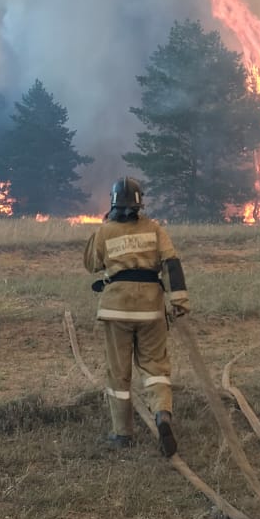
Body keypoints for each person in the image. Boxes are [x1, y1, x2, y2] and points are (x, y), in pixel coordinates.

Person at [83, 176, 189, 456]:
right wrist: (179, 299)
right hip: (150, 308)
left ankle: (122, 434)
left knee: (119, 373)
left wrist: (102, 228)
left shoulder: (106, 231)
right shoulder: (154, 229)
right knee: (155, 367)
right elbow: (171, 263)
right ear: (140, 203)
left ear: (113, 203)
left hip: (116, 309)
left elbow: (91, 264)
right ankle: (162, 415)